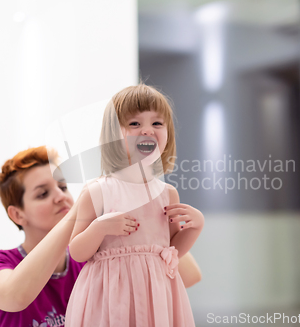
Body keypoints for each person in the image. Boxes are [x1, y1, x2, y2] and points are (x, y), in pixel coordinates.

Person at [0, 147, 201, 326]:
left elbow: (190, 276)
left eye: (63, 186)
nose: (60, 196)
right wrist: (82, 208)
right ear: (17, 214)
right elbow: (14, 297)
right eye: (43, 194)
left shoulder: (94, 255)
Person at [66, 84, 204, 326]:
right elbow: (77, 252)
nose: (147, 131)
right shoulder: (98, 190)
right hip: (109, 298)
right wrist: (100, 228)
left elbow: (172, 253)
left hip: (157, 297)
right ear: (113, 135)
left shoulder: (167, 194)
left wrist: (195, 227)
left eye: (157, 123)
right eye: (134, 124)